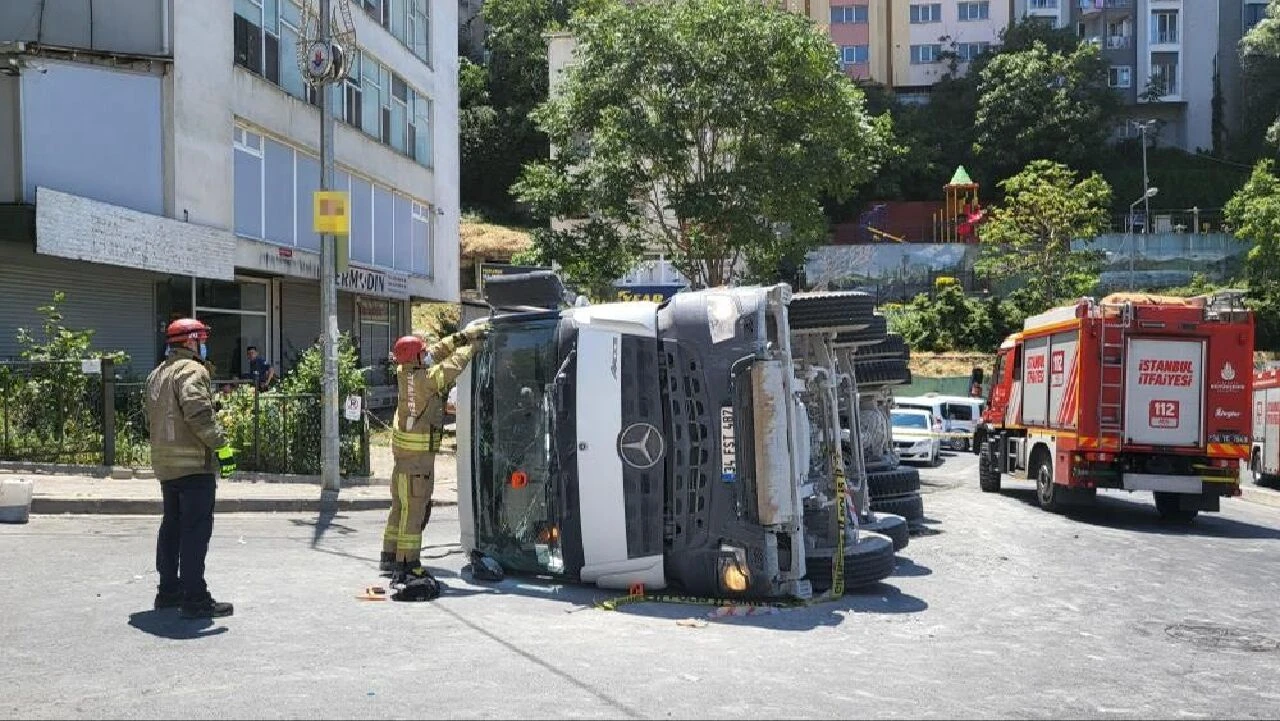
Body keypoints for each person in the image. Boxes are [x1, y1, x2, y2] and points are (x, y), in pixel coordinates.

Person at [381, 321, 490, 587]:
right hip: (417, 463)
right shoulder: (424, 380)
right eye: (421, 353)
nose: (425, 355)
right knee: (414, 512)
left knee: (400, 507)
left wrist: (462, 335)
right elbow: (451, 367)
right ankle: (408, 564)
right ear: (414, 358)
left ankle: (390, 556)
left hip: (403, 461)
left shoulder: (405, 371)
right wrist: (475, 346)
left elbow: (437, 353)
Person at [144, 318, 239, 619]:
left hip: (167, 466)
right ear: (190, 342)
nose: (203, 346)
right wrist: (223, 449)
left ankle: (168, 591)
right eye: (201, 340)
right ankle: (195, 598)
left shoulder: (157, 374)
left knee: (171, 528)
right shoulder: (192, 370)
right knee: (195, 532)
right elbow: (198, 415)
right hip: (194, 467)